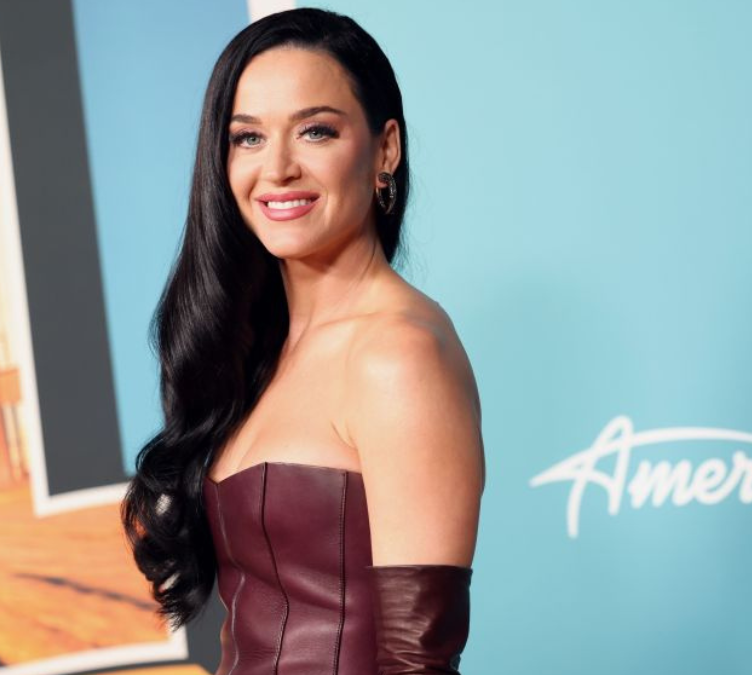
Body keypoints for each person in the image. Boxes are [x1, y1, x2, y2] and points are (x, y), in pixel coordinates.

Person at [120, 8, 485, 675]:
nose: (278, 168)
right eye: (248, 137)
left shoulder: (397, 354)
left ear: (386, 149)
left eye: (316, 130)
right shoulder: (256, 352)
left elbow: (417, 661)